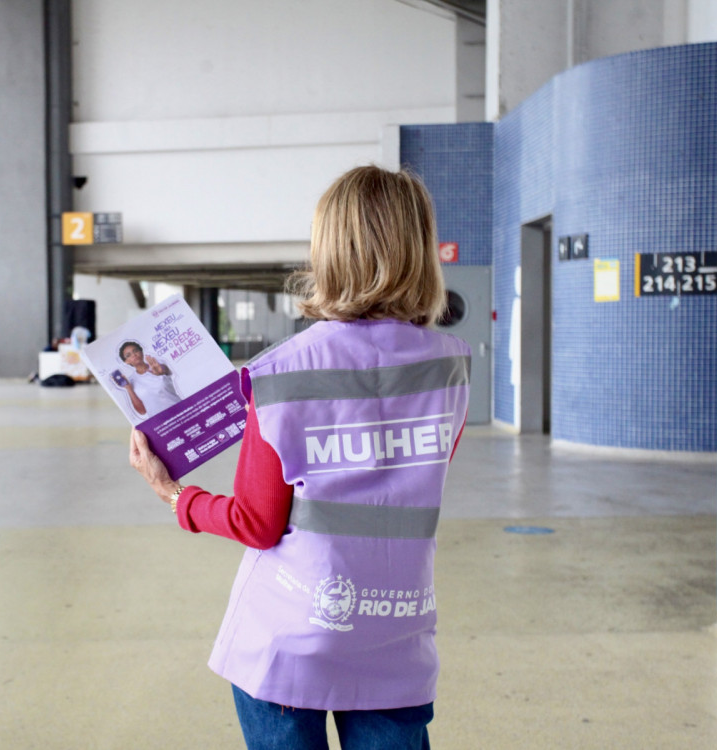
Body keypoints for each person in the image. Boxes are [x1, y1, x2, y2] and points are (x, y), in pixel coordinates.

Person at [128, 165, 470, 750]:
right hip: (399, 638)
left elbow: (256, 523)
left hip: (290, 642)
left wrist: (174, 495)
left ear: (329, 251)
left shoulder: (280, 372)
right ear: (419, 248)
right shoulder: (451, 367)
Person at [116, 340, 180, 418]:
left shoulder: (157, 365)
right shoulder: (131, 381)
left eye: (135, 351)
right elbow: (142, 411)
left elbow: (165, 369)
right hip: (160, 423)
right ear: (126, 362)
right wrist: (129, 389)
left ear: (141, 352)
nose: (134, 355)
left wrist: (161, 371)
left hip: (180, 411)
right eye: (128, 355)